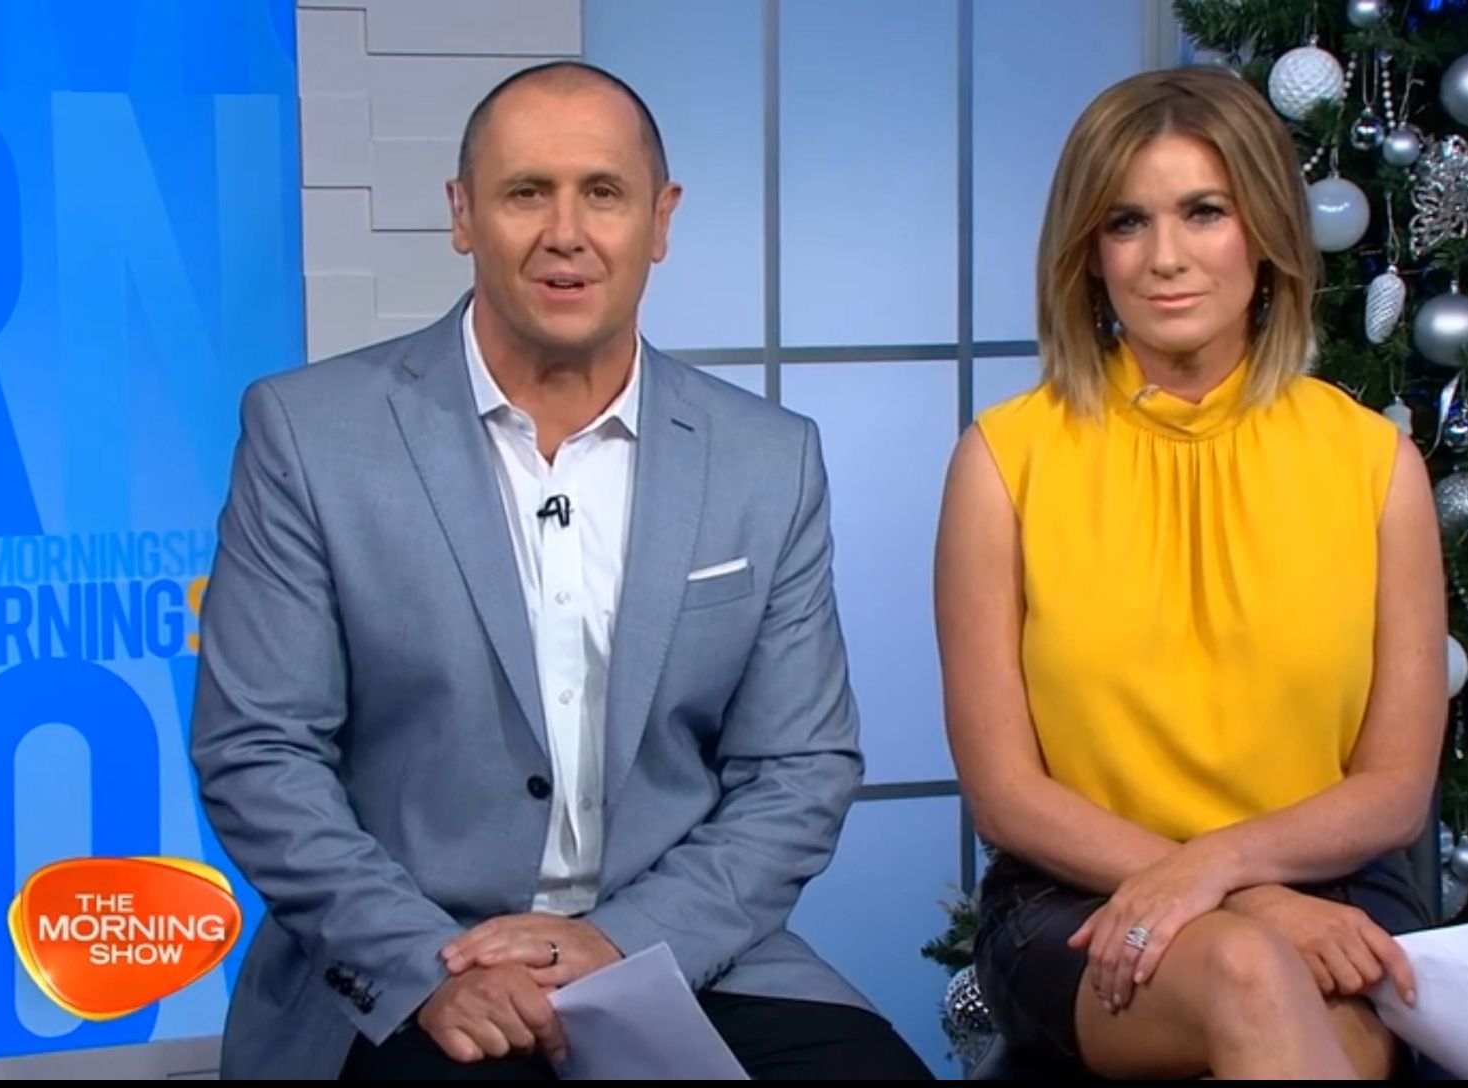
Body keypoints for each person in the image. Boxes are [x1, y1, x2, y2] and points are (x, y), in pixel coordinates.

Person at [190, 60, 932, 1081]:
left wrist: (620, 940)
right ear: (462, 214)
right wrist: (427, 965)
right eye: (526, 192)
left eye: (604, 192)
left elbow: (798, 767)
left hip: (676, 950)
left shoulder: (767, 457)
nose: (566, 233)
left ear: (660, 220)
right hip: (418, 965)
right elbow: (258, 750)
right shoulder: (309, 434)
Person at [933, 65, 1449, 1080]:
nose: (1163, 257)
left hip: (1333, 891)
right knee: (1251, 971)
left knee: (1299, 1001)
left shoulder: (1374, 465)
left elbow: (1393, 790)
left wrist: (1230, 872)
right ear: (1088, 253)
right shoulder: (1003, 462)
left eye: (1203, 212)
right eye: (1126, 222)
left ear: (1263, 231)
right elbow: (1005, 794)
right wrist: (1245, 900)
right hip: (1073, 897)